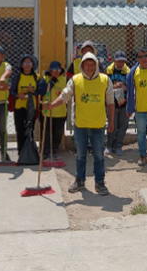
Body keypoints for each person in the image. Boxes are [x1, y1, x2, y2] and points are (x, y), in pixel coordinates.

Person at [44, 52, 114, 196]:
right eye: (86, 64)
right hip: (80, 125)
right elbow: (64, 96)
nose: (89, 67)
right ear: (82, 65)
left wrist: (111, 121)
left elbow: (110, 103)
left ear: (96, 65)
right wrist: (51, 105)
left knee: (99, 156)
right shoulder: (75, 80)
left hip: (98, 125)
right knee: (80, 155)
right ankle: (79, 181)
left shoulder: (105, 80)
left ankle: (100, 183)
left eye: (92, 64)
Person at [9, 54, 40, 157]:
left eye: (29, 62)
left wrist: (34, 92)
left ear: (32, 64)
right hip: (19, 107)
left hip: (32, 108)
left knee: (30, 130)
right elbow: (11, 91)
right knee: (20, 130)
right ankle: (21, 153)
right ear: (21, 65)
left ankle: (30, 153)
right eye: (25, 62)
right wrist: (18, 95)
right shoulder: (17, 77)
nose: (27, 64)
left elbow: (41, 90)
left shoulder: (36, 77)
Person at [38, 61, 67, 159]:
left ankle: (54, 151)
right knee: (46, 134)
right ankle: (45, 152)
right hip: (47, 112)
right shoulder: (45, 79)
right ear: (50, 70)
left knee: (58, 134)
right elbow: (40, 92)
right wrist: (51, 81)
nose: (55, 72)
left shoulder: (64, 80)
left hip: (60, 112)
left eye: (57, 70)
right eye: (53, 70)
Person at [105, 51, 130, 155]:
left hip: (124, 102)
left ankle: (118, 145)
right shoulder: (109, 71)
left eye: (122, 61)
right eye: (118, 61)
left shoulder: (128, 71)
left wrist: (125, 86)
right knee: (112, 124)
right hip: (112, 103)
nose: (120, 63)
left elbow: (132, 86)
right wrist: (114, 86)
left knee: (123, 125)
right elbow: (104, 85)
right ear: (114, 60)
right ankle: (109, 146)